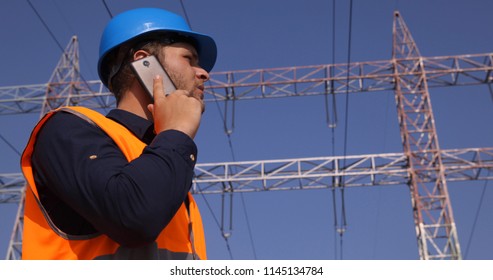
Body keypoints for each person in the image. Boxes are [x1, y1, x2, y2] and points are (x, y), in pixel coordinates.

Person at [20, 7, 217, 260]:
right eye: (189, 59)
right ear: (146, 63)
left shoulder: (168, 166)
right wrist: (176, 131)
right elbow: (133, 217)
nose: (204, 74)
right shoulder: (67, 128)